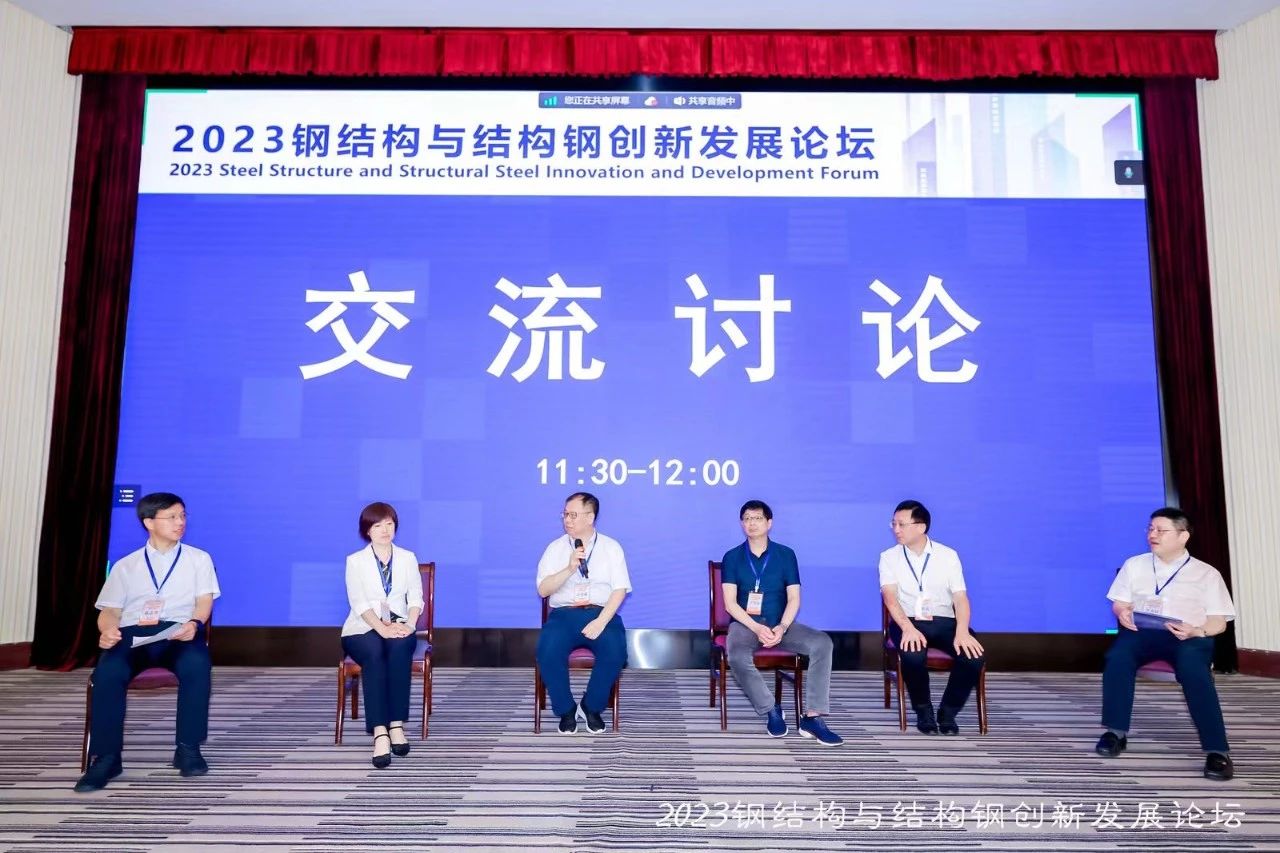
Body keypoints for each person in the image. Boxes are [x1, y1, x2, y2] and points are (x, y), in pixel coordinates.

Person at [76, 492, 220, 792]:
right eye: (172, 517)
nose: (180, 522)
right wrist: (108, 630)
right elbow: (109, 611)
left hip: (179, 633)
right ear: (149, 522)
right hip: (132, 633)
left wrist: (194, 624)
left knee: (197, 666)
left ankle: (188, 748)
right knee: (108, 673)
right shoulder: (126, 566)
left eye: (183, 516)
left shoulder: (198, 559)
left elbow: (204, 602)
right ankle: (107, 757)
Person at [1096, 507, 1236, 781]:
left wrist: (1197, 630)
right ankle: (1115, 733)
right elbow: (1119, 603)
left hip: (1188, 637)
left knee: (1195, 672)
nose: (1153, 534)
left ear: (1183, 536)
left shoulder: (1206, 574)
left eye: (1161, 530)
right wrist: (1122, 612)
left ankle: (1217, 751)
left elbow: (1219, 622)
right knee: (1117, 659)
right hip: (1142, 632)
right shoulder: (1134, 565)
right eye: (1150, 529)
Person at [720, 500, 843, 745]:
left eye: (757, 518)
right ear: (741, 524)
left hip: (780, 624)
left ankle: (813, 717)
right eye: (747, 519)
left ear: (769, 523)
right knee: (736, 655)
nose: (751, 523)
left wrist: (783, 626)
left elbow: (794, 597)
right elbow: (730, 604)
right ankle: (771, 709)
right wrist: (756, 627)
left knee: (822, 643)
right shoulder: (732, 557)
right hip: (746, 625)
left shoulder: (786, 555)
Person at [878, 499, 985, 735]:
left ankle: (948, 712)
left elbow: (960, 598)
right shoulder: (889, 557)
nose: (896, 529)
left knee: (973, 656)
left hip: (945, 621)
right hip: (908, 621)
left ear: (921, 527)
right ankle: (923, 711)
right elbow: (890, 598)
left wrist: (962, 631)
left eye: (901, 524)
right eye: (893, 524)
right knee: (913, 654)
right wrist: (907, 628)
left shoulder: (948, 555)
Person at [535, 492, 630, 734]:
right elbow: (543, 590)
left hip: (601, 613)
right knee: (547, 650)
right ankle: (566, 710)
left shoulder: (611, 547)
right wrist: (569, 568)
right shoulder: (555, 548)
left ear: (590, 517)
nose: (567, 520)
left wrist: (601, 621)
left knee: (615, 651)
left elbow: (620, 589)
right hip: (564, 615)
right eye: (565, 514)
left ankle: (591, 707)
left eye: (573, 515)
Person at [341, 502, 425, 768]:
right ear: (367, 531)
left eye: (389, 524)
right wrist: (382, 628)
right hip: (362, 628)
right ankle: (380, 732)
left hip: (400, 624)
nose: (385, 530)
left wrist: (409, 625)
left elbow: (416, 598)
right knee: (375, 654)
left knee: (400, 649)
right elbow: (359, 603)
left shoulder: (408, 558)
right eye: (377, 525)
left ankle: (396, 725)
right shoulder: (355, 561)